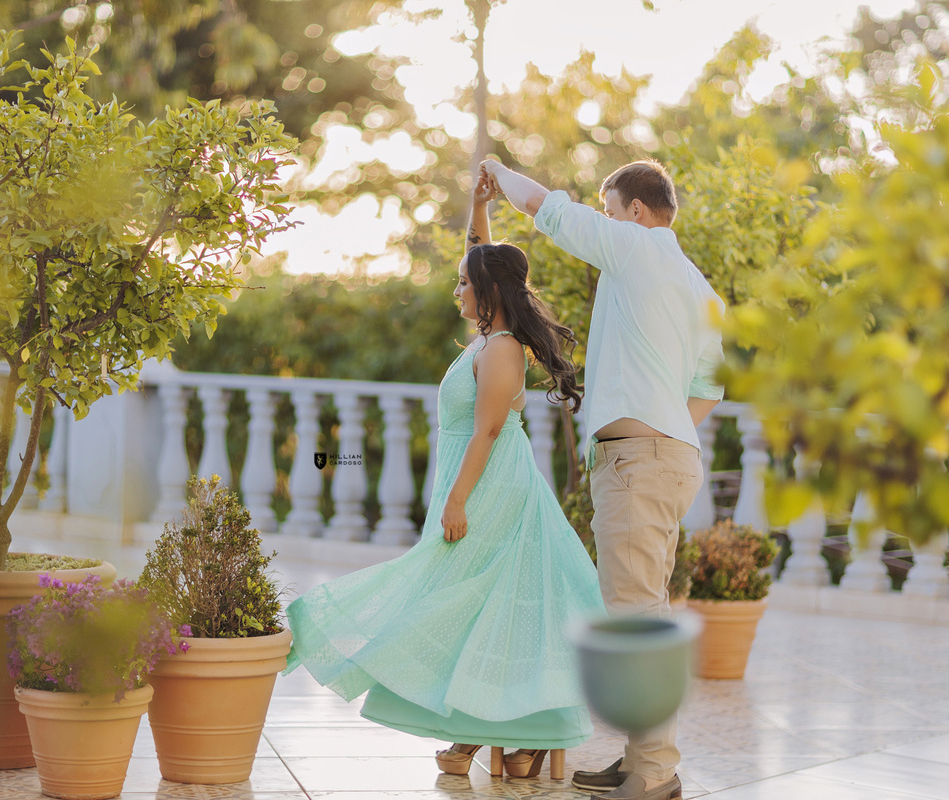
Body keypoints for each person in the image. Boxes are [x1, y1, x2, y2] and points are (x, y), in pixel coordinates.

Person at [282, 172, 604, 779]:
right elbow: (483, 263)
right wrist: (478, 208)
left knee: (478, 601)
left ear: (487, 295)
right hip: (470, 483)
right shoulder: (489, 336)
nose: (456, 290)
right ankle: (479, 725)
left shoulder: (504, 348)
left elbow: (485, 432)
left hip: (488, 488)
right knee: (471, 603)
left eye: (464, 285)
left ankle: (518, 731)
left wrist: (457, 501)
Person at [482, 157, 725, 800]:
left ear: (636, 211)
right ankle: (642, 757)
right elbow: (708, 387)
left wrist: (495, 169)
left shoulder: (635, 247)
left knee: (636, 616)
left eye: (610, 207)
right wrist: (668, 429)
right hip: (669, 457)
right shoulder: (702, 289)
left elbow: (549, 210)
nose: (608, 220)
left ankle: (654, 773)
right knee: (646, 606)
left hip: (640, 462)